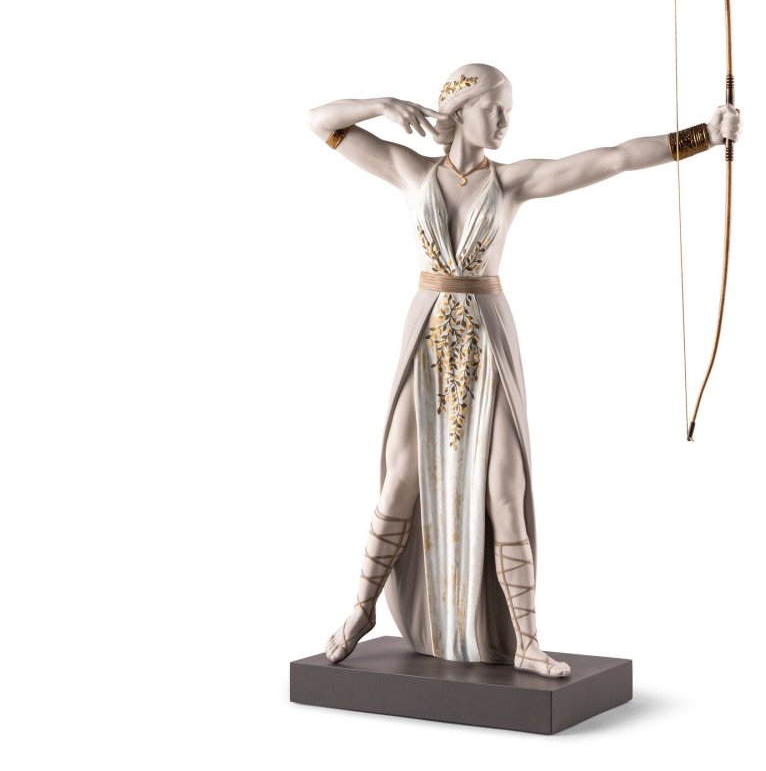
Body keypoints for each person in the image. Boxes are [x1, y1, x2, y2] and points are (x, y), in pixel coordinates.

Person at [309, 63, 741, 678]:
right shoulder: (411, 171)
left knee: (504, 490)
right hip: (428, 334)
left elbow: (614, 158)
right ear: (461, 111)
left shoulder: (510, 183)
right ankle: (361, 610)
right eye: (495, 108)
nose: (505, 121)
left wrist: (704, 135)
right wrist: (382, 103)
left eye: (508, 110)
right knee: (401, 478)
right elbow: (319, 123)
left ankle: (527, 642)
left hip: (487, 336)